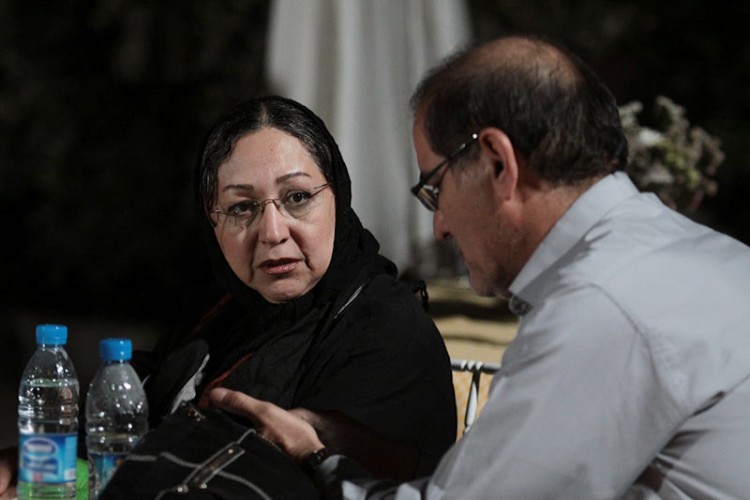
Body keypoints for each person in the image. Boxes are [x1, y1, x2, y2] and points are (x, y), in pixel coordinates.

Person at [206, 34, 750, 499]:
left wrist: (314, 458)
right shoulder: (693, 257)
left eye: (435, 189)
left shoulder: (603, 305)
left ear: (498, 163)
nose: (440, 226)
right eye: (241, 208)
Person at [0, 96, 457, 497]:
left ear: (338, 197)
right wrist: (29, 463)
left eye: (297, 197)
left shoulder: (386, 333)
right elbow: (132, 426)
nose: (272, 232)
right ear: (212, 221)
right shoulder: (220, 313)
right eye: (242, 207)